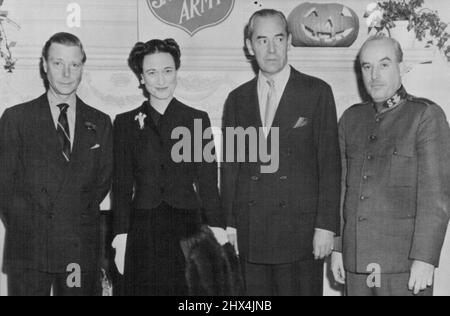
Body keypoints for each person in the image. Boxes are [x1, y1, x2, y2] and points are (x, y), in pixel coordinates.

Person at [221, 9, 341, 296]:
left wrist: (326, 227)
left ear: (289, 41)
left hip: (300, 234)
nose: (271, 49)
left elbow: (330, 164)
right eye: (262, 40)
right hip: (252, 233)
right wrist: (230, 224)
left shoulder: (316, 92)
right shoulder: (237, 99)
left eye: (278, 39)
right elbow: (231, 167)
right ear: (250, 46)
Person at [331, 35, 450, 296]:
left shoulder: (424, 116)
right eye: (367, 66)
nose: (374, 75)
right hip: (356, 261)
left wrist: (425, 258)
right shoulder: (351, 119)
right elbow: (340, 189)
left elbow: (436, 196)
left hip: (403, 266)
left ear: (401, 67)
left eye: (384, 65)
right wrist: (338, 247)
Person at [0, 32, 113, 296]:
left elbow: (101, 184)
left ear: (82, 67)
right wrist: (31, 225)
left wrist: (70, 218)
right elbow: (3, 186)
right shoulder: (16, 119)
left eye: (74, 64)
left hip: (78, 252)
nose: (66, 73)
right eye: (57, 63)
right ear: (44, 65)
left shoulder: (100, 123)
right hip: (30, 250)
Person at [111, 39, 227, 296]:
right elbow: (120, 186)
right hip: (143, 228)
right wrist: (120, 236)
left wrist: (218, 227)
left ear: (177, 71)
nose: (161, 80)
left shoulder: (196, 119)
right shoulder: (125, 123)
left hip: (187, 227)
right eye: (151, 72)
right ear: (141, 77)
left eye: (168, 71)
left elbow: (208, 182)